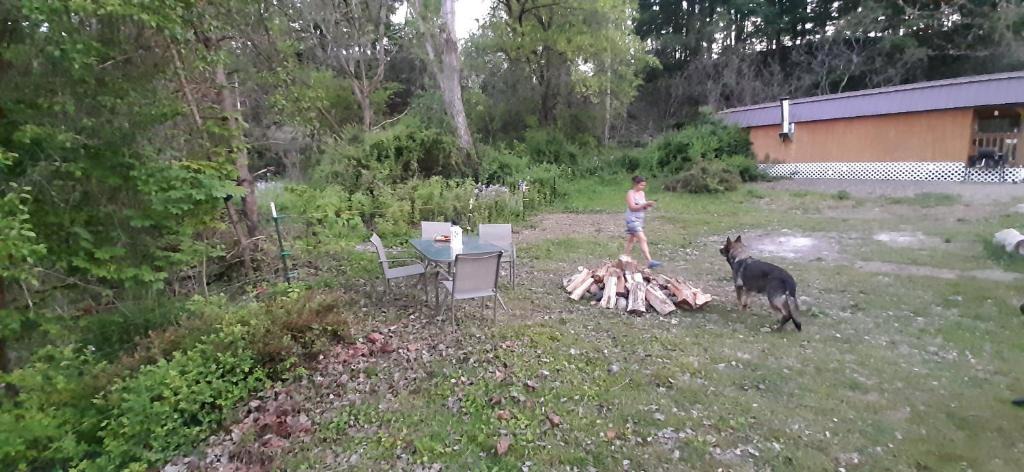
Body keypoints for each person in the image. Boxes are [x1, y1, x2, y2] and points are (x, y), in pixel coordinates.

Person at [624, 175, 662, 269]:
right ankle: (650, 261)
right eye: (641, 185)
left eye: (644, 185)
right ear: (635, 184)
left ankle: (624, 258)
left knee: (632, 240)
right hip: (632, 219)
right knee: (643, 239)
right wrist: (644, 204)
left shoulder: (642, 194)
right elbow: (632, 207)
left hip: (640, 219)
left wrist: (648, 205)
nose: (642, 187)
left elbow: (642, 206)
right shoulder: (630, 193)